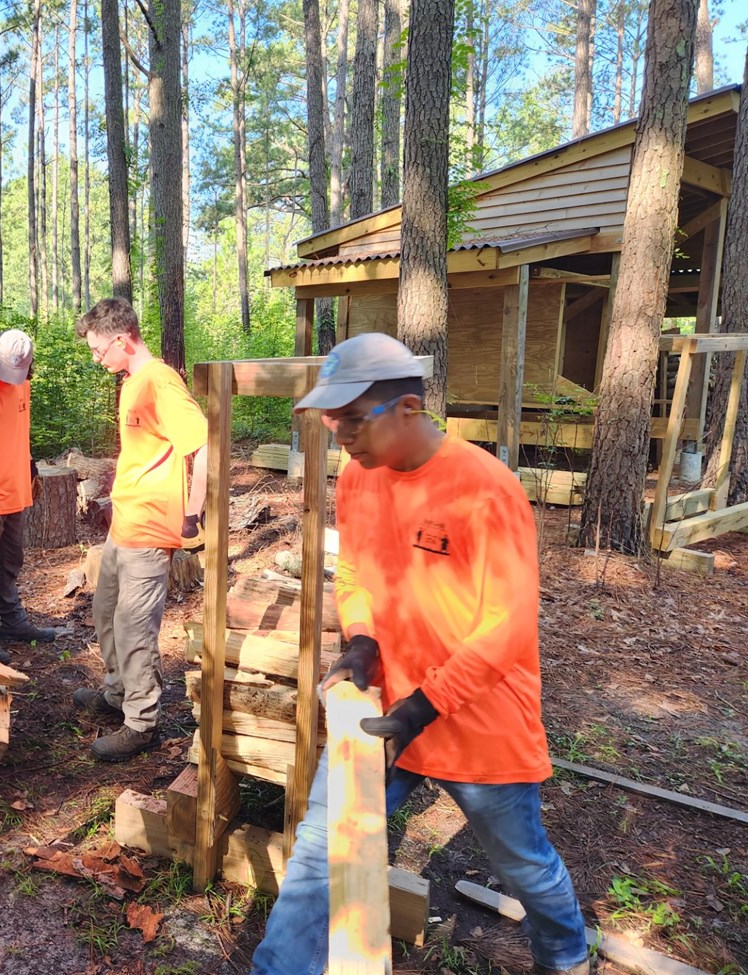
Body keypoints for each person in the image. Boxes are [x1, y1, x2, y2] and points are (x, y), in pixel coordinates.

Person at [248, 332, 589, 975]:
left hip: (477, 722)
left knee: (521, 862)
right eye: (331, 418)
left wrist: (425, 706)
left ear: (408, 408)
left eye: (352, 418)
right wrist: (362, 639)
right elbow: (353, 575)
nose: (339, 432)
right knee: (321, 850)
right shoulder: (357, 477)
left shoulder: (486, 489)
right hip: (381, 716)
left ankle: (567, 956)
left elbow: (505, 629)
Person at [71, 297, 208, 761]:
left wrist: (194, 512)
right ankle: (117, 693)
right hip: (123, 525)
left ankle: (141, 722)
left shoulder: (159, 380)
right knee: (105, 613)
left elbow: (203, 442)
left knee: (133, 628)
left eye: (98, 350)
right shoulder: (130, 380)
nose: (96, 358)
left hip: (151, 530)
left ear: (122, 340)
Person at [0, 329, 56, 664]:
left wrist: (30, 464)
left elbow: (18, 433)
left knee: (10, 563)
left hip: (17, 492)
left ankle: (13, 622)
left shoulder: (23, 386)